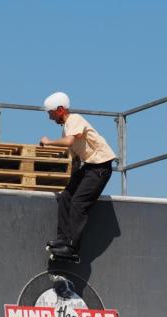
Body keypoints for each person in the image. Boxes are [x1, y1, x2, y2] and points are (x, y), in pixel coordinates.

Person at [40, 92, 116, 262]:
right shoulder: (67, 128)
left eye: (51, 114)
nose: (50, 118)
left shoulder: (74, 119)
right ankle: (63, 239)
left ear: (60, 110)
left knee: (78, 203)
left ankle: (72, 248)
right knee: (66, 195)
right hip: (89, 167)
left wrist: (48, 142)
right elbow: (74, 159)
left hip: (101, 167)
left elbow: (68, 143)